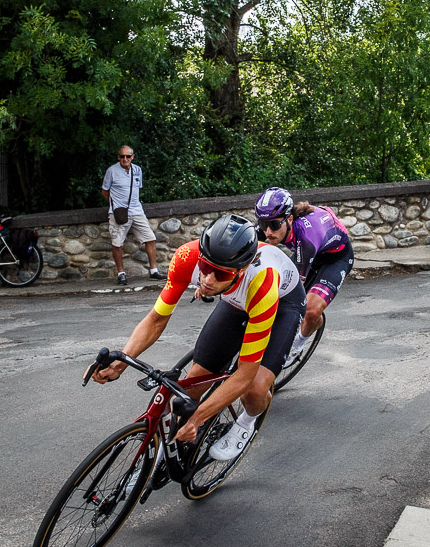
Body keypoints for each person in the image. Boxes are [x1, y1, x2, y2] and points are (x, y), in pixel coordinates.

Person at [91, 213, 305, 458]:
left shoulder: (262, 283)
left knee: (254, 389)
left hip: (282, 303)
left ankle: (246, 424)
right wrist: (122, 362)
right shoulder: (186, 256)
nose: (208, 280)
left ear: (242, 269)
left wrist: (198, 418)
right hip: (234, 299)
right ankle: (165, 453)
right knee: (193, 383)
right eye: (205, 268)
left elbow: (244, 375)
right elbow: (156, 318)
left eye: (221, 274)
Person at [254, 188, 353, 362]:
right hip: (310, 253)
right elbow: (246, 253)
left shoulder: (306, 238)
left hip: (335, 259)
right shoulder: (271, 224)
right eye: (263, 224)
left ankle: (296, 346)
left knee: (311, 311)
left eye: (274, 225)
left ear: (289, 219)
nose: (268, 231)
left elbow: (295, 291)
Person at [101, 145, 164, 284]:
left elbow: (137, 188)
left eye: (128, 156)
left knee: (150, 238)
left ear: (132, 157)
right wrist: (115, 205)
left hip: (137, 210)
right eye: (122, 156)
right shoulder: (112, 171)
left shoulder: (137, 170)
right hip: (119, 212)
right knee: (117, 243)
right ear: (118, 157)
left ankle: (153, 271)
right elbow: (104, 190)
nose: (125, 159)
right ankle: (121, 273)